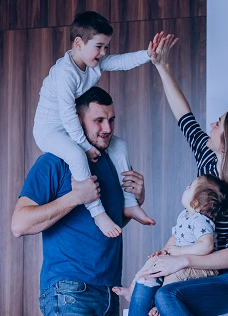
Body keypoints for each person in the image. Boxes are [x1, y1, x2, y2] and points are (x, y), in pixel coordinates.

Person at [125, 35, 228, 316]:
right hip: (197, 272)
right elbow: (184, 117)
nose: (212, 123)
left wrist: (183, 259)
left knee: (168, 297)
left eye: (219, 124)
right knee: (145, 284)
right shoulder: (208, 161)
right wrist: (161, 66)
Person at [11, 86, 148, 316]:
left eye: (111, 120)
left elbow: (105, 225)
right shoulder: (53, 162)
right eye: (98, 120)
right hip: (70, 291)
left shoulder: (110, 162)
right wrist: (75, 197)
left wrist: (135, 203)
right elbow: (19, 224)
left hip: (109, 293)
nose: (107, 128)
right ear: (78, 120)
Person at [33, 10, 161, 238]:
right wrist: (85, 146)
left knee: (119, 145)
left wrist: (148, 54)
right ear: (79, 43)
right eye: (99, 47)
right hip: (51, 130)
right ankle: (97, 212)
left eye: (106, 48)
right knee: (75, 155)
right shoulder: (65, 73)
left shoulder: (92, 64)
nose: (103, 53)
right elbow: (68, 115)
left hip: (70, 126)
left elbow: (122, 61)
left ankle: (129, 203)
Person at [113, 174, 228, 302]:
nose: (186, 187)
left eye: (190, 187)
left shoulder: (201, 221)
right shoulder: (184, 216)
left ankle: (162, 304)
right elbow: (176, 237)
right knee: (152, 263)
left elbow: (206, 245)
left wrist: (180, 251)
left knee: (173, 278)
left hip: (200, 267)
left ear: (196, 203)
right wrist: (165, 251)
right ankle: (132, 289)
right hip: (181, 260)